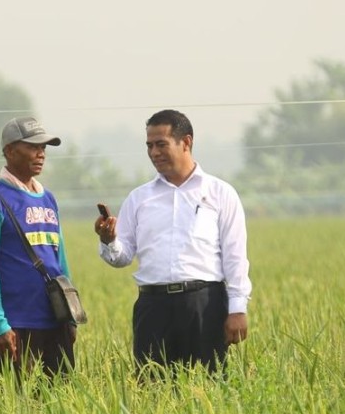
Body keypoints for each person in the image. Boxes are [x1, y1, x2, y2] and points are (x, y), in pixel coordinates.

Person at [95, 109, 251, 374]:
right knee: (152, 391)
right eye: (149, 146)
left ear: (186, 142)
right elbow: (122, 257)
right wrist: (109, 240)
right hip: (153, 308)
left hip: (204, 304)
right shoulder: (139, 198)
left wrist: (237, 308)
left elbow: (235, 256)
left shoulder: (220, 193)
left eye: (161, 144)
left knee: (208, 388)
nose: (154, 153)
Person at [0, 116, 77, 379]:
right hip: (16, 327)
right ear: (9, 151)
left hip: (54, 322)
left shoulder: (48, 198)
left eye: (44, 148)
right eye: (32, 147)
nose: (40, 154)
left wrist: (70, 316)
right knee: (13, 409)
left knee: (60, 410)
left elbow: (59, 259)